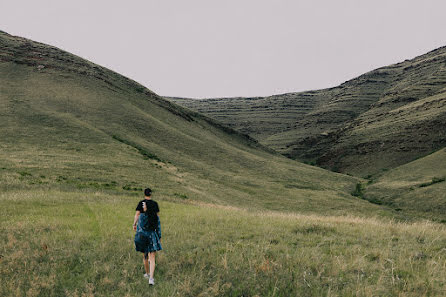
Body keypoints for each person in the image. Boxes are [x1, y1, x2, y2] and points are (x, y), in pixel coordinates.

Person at [133, 188, 162, 285]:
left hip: (142, 235)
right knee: (152, 257)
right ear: (151, 194)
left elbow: (137, 215)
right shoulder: (155, 204)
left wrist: (134, 224)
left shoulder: (141, 209)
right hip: (152, 234)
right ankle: (151, 279)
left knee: (145, 256)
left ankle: (147, 273)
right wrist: (159, 235)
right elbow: (158, 220)